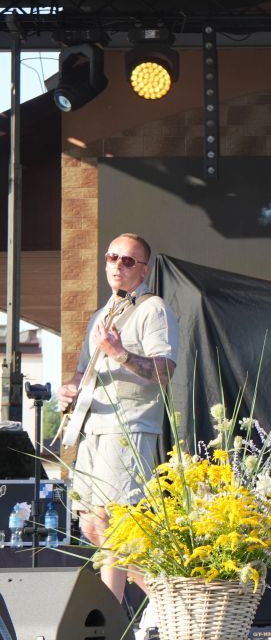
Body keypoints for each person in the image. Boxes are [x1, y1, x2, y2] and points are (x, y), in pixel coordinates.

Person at [58, 234, 178, 604]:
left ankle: (111, 619)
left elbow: (164, 371)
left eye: (128, 260)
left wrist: (121, 353)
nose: (117, 265)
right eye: (112, 257)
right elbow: (84, 372)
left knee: (114, 523)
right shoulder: (102, 313)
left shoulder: (153, 309)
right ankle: (168, 600)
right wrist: (69, 389)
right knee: (92, 525)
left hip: (128, 425)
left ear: (144, 269)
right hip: (93, 425)